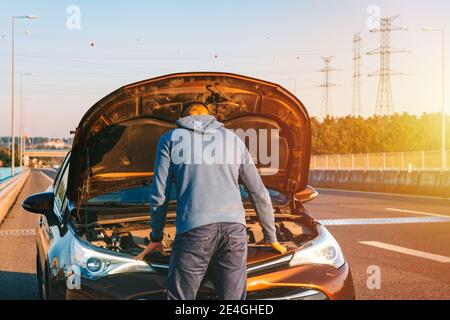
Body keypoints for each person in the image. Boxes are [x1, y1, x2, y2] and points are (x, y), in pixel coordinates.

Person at [135, 101, 286, 300]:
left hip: (194, 230)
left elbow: (158, 195)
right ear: (210, 116)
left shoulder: (171, 139)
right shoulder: (234, 140)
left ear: (183, 118)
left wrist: (156, 236)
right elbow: (259, 192)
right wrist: (271, 235)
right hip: (235, 230)